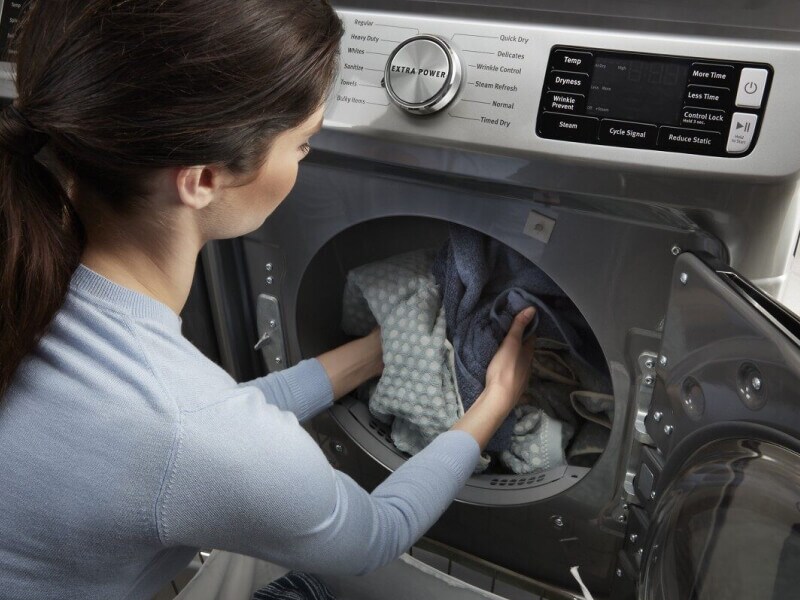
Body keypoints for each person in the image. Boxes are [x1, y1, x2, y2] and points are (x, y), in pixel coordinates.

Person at [0, 1, 537, 598]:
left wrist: (375, 352)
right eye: (303, 144)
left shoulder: (30, 276)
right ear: (202, 178)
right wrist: (494, 403)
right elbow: (376, 534)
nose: (304, 159)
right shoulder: (187, 428)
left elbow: (194, 431)